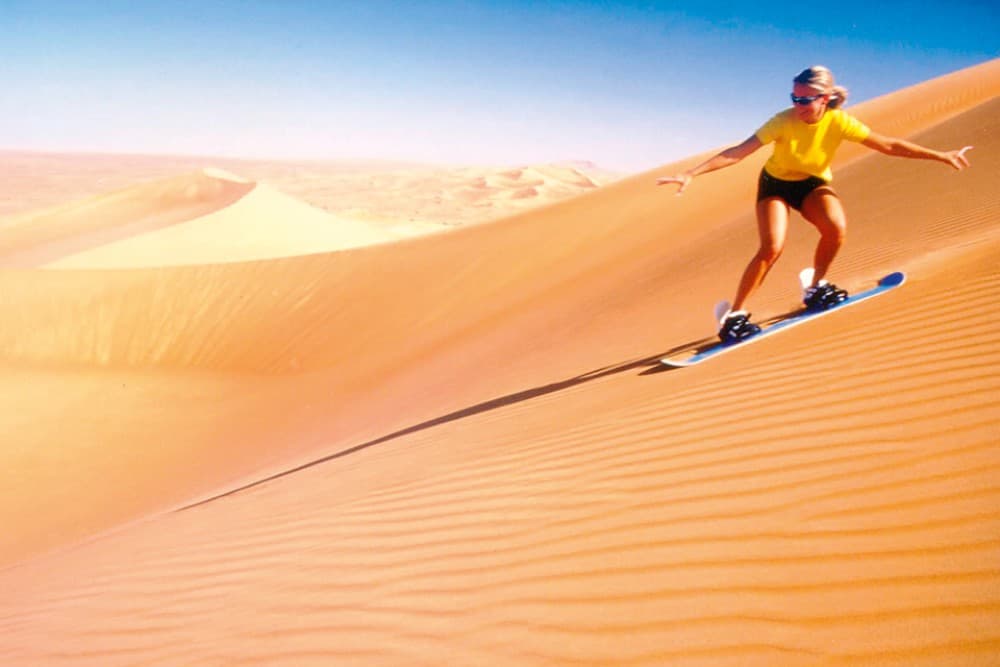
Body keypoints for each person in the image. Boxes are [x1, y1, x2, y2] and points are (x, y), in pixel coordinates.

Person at [656, 65, 973, 343]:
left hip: (810, 184)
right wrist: (690, 174)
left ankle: (816, 286)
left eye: (805, 100)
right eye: (793, 98)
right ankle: (734, 316)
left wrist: (940, 155)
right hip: (775, 185)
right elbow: (739, 151)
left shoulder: (839, 122)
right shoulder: (782, 121)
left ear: (824, 98)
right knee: (772, 247)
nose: (797, 105)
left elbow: (888, 144)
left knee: (836, 228)